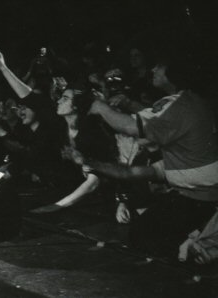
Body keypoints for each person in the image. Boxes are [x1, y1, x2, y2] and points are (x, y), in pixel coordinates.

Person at [86, 52, 218, 258]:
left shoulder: (180, 104)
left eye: (159, 66)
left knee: (145, 238)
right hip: (195, 191)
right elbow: (164, 122)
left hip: (197, 196)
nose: (153, 70)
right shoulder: (190, 102)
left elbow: (133, 127)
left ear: (174, 72)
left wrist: (100, 107)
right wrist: (129, 104)